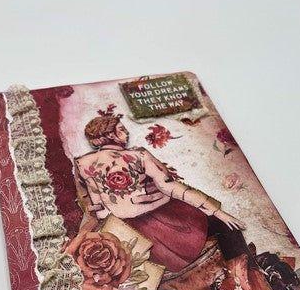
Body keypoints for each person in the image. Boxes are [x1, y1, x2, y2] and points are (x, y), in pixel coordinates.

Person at [73, 109, 254, 273]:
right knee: (221, 223)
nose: (126, 133)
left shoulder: (82, 163)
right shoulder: (137, 155)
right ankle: (248, 272)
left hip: (119, 232)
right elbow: (171, 187)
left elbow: (90, 204)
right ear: (108, 135)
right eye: (121, 129)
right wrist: (216, 211)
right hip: (157, 227)